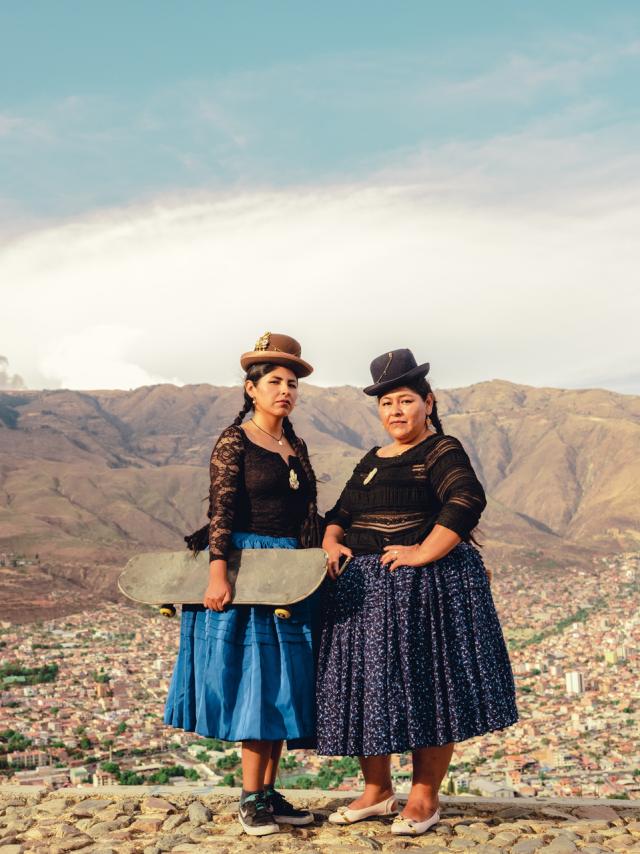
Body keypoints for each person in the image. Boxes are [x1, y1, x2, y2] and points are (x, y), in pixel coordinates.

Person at [316, 348, 518, 836]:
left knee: (429, 688)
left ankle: (425, 796)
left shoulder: (441, 450)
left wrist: (424, 552)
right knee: (371, 688)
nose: (396, 412)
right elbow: (339, 513)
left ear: (428, 402)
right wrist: (330, 540)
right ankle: (378, 791)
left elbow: (467, 498)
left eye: (405, 401)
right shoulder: (372, 459)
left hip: (425, 595)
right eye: (386, 404)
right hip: (363, 594)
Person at [164, 332, 321, 836]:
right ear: (250, 388)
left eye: (292, 383)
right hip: (246, 572)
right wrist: (217, 573)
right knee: (257, 680)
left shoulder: (292, 444)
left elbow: (306, 514)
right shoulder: (235, 441)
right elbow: (221, 510)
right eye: (274, 381)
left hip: (287, 574)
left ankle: (269, 792)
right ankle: (251, 797)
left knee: (281, 684)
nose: (285, 391)